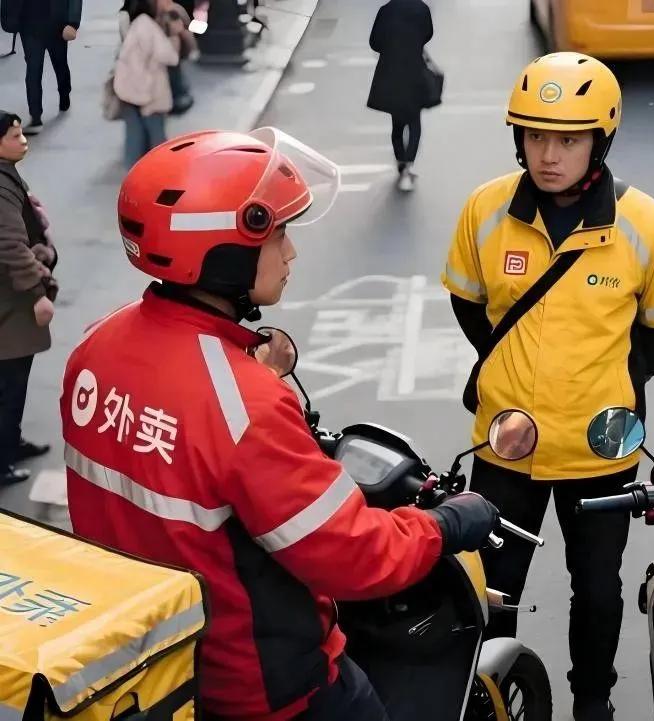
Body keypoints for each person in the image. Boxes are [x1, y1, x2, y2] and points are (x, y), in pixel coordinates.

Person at [60, 127, 500, 721]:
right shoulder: (247, 407)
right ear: (226, 252)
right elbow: (353, 556)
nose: (290, 252)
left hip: (146, 668)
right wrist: (445, 524)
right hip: (256, 685)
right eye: (278, 233)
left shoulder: (96, 349)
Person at [442, 52, 654, 721]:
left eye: (568, 139)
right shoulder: (485, 211)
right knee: (494, 587)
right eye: (535, 136)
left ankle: (592, 700)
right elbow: (471, 308)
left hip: (602, 449)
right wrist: (514, 371)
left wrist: (612, 378)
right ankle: (491, 696)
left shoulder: (649, 225)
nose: (549, 154)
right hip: (507, 449)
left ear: (600, 140)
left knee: (599, 590)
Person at [0, 111, 57, 486]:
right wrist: (37, 291)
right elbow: (9, 244)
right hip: (12, 304)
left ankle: (11, 442)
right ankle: (2, 459)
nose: (23, 141)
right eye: (15, 135)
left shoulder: (6, 174)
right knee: (9, 383)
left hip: (12, 300)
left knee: (13, 380)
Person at [366, 0, 434, 192]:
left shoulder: (385, 11)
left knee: (397, 123)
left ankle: (401, 162)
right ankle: (409, 165)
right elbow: (427, 34)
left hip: (391, 73)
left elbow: (374, 42)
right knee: (414, 122)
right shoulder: (422, 9)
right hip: (415, 70)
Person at [114, 0, 181, 168]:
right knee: (155, 144)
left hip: (134, 92)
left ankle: (138, 181)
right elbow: (170, 57)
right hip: (146, 94)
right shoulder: (146, 25)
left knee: (136, 141)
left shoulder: (145, 22)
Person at [0, 0, 81, 134]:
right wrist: (8, 18)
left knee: (60, 64)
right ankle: (36, 116)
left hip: (57, 24)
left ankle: (64, 93)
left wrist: (73, 23)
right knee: (33, 70)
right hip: (29, 24)